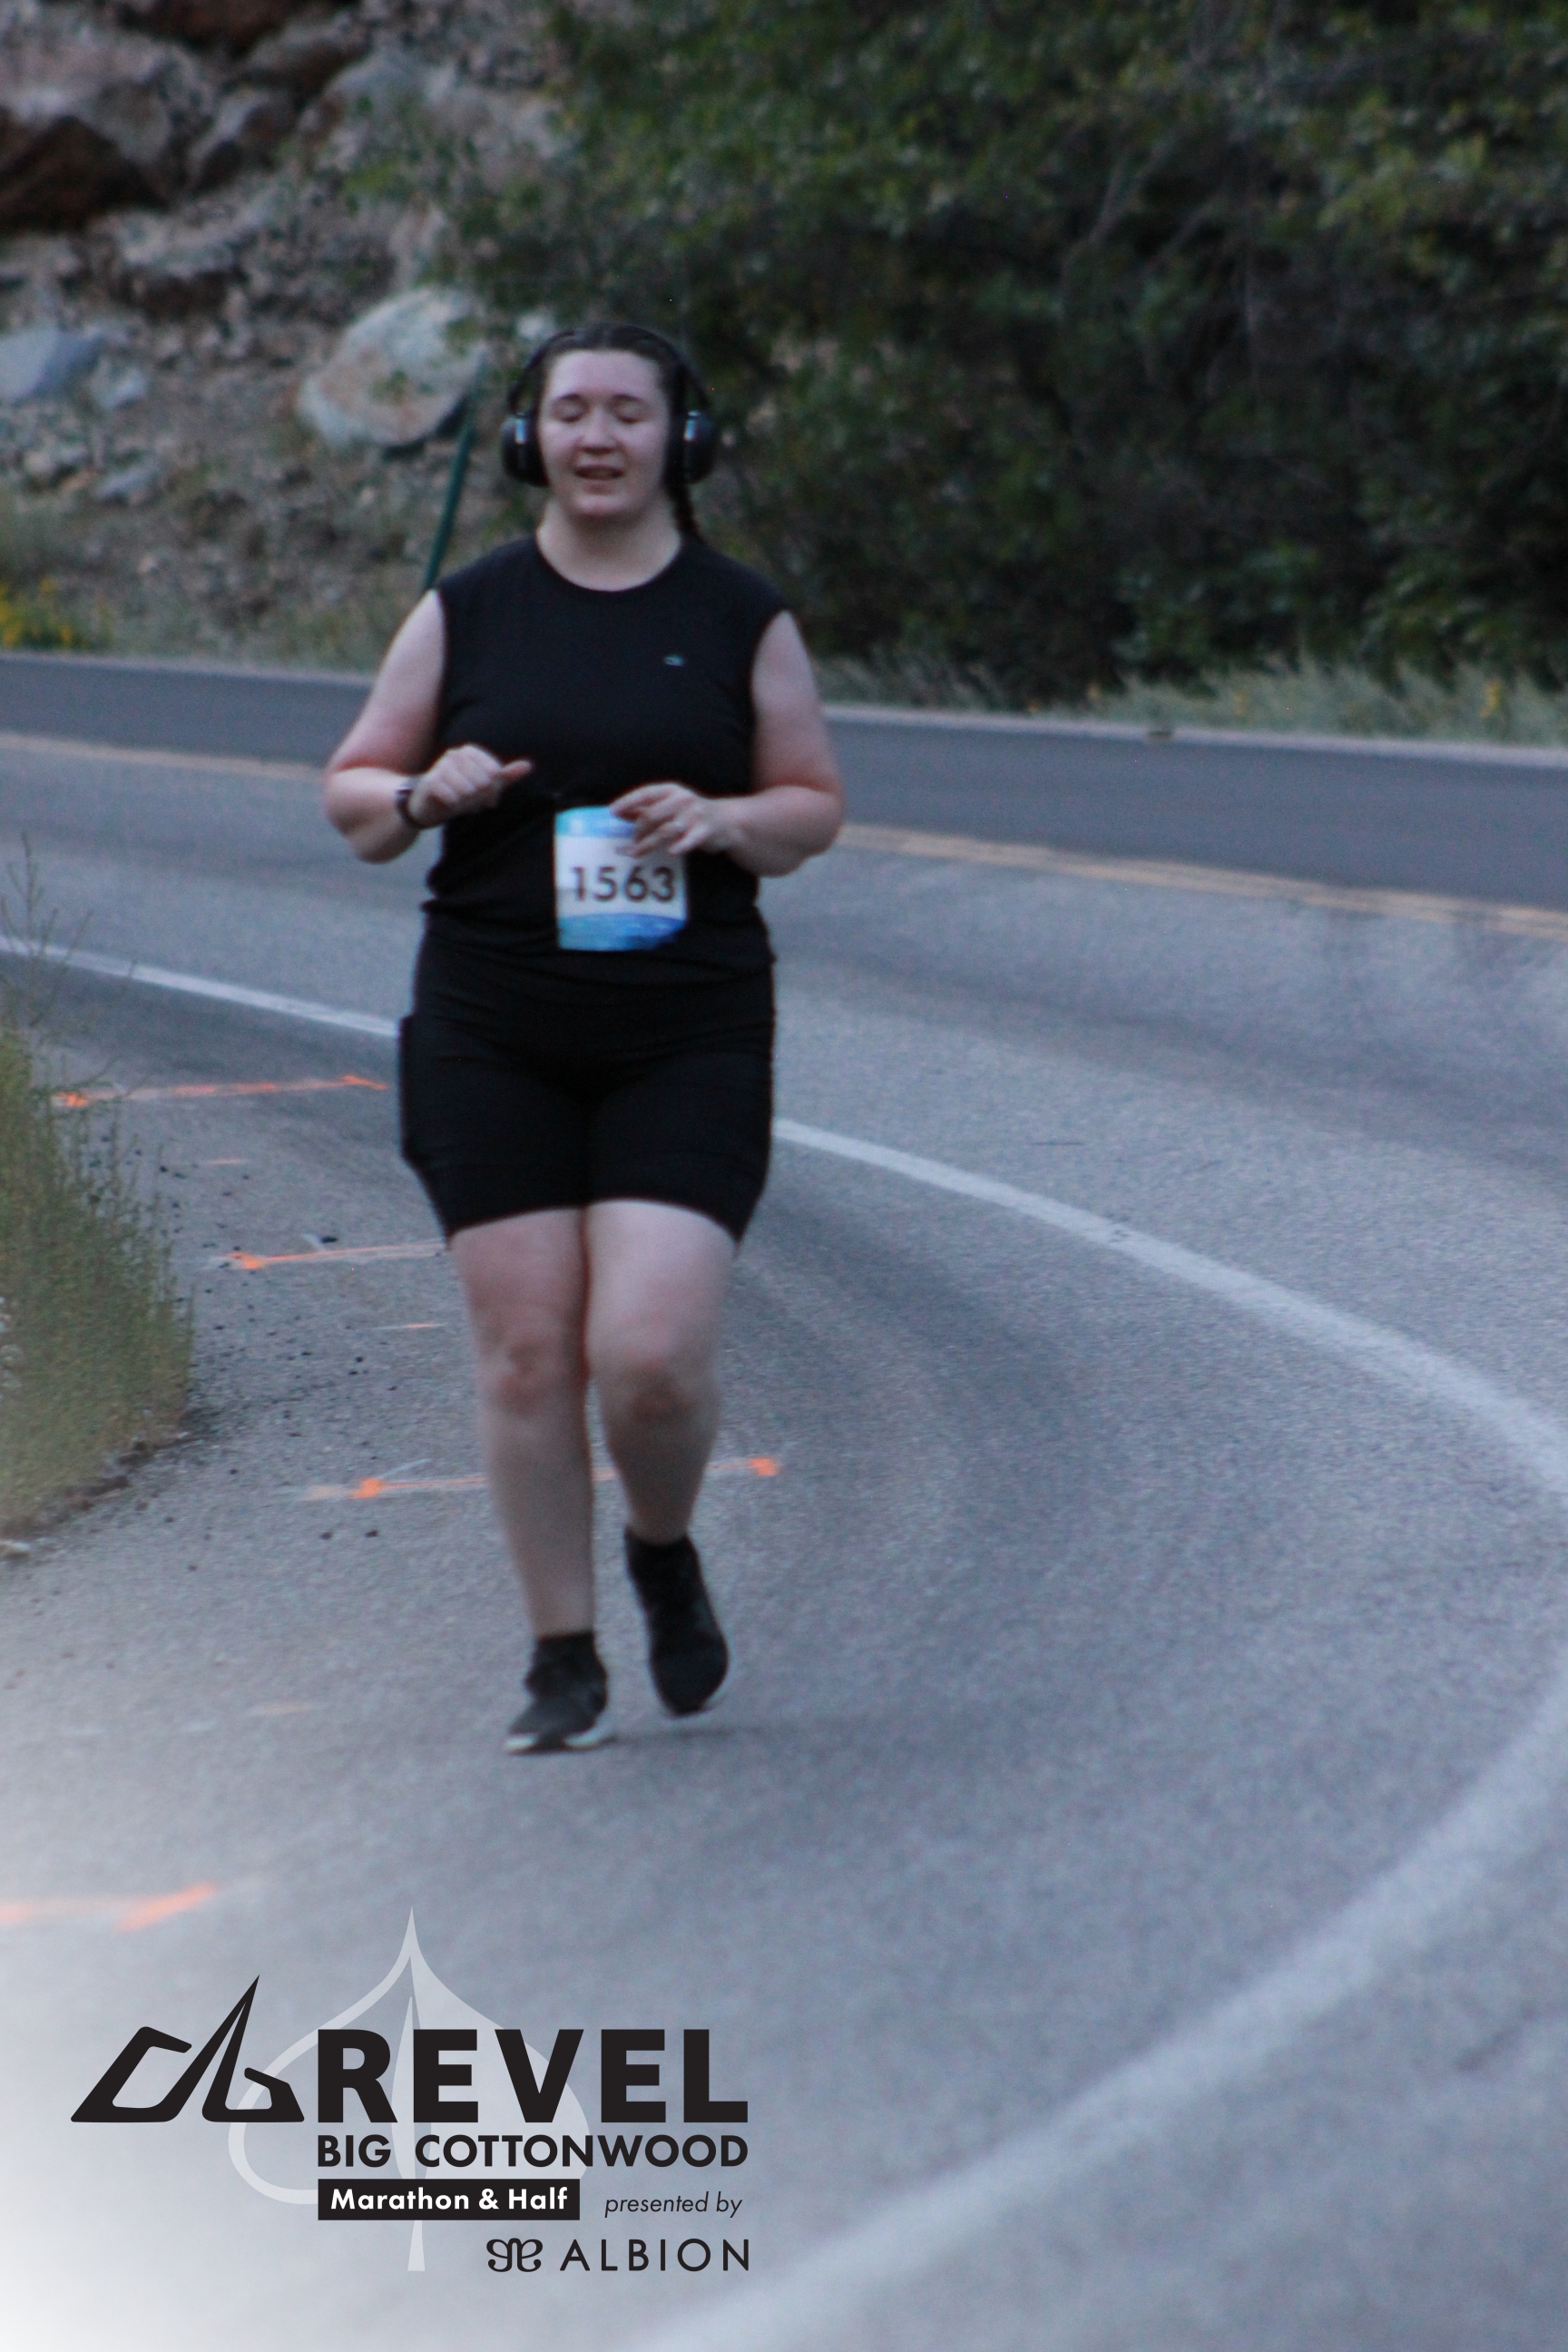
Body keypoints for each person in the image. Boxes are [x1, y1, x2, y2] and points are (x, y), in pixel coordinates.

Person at [324, 321, 844, 1753]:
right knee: (525, 1352)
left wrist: (726, 818)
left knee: (651, 1354)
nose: (598, 438)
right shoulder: (468, 611)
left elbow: (811, 806)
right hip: (493, 1030)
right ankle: (562, 1654)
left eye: (628, 412)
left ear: (683, 439)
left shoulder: (740, 615)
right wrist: (423, 793)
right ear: (528, 438)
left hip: (686, 1031)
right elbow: (354, 798)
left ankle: (661, 1551)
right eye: (570, 413)